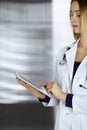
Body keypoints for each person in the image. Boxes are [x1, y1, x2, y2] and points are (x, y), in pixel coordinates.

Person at [17, 0, 87, 130]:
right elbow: (61, 100)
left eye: (78, 14)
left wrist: (62, 96)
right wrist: (41, 95)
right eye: (71, 14)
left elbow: (64, 97)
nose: (73, 18)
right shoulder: (63, 54)